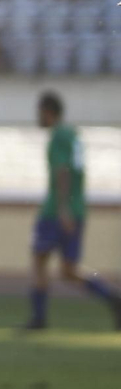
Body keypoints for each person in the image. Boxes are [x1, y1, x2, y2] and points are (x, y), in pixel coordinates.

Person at [27, 92, 121, 330]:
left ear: (48, 111)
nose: (37, 117)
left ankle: (39, 319)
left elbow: (62, 171)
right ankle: (112, 297)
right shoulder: (73, 135)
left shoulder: (58, 135)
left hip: (57, 210)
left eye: (39, 112)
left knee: (39, 259)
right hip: (77, 207)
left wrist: (62, 209)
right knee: (68, 270)